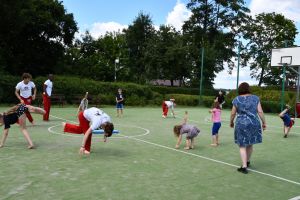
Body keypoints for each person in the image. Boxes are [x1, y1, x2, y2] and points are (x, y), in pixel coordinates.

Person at [230, 82, 266, 174]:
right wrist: (264, 122)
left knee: (242, 145)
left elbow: (233, 113)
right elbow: (260, 112)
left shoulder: (236, 99)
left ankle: (244, 166)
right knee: (250, 143)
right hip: (254, 123)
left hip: (241, 124)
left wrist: (231, 122)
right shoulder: (255, 98)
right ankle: (247, 161)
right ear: (248, 88)